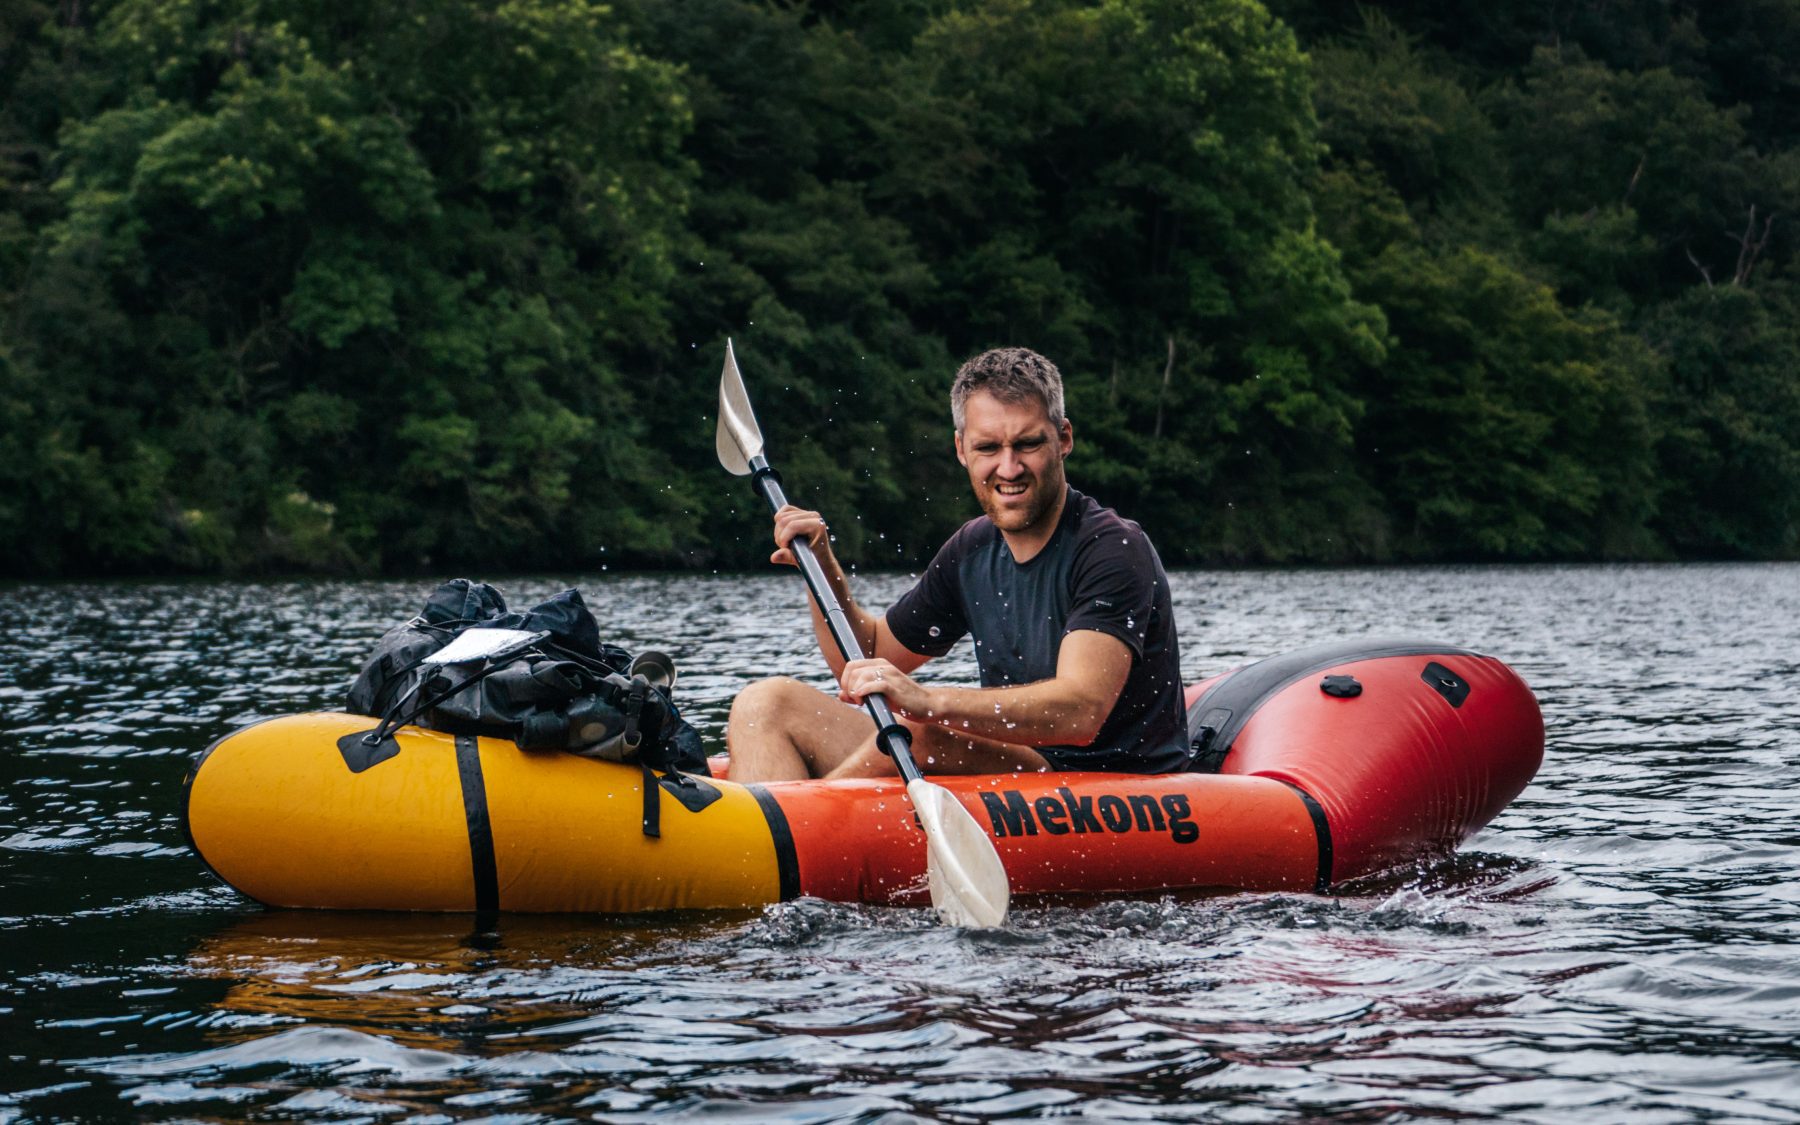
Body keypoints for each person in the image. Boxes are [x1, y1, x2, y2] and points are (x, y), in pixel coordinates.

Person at [727, 347, 1190, 782]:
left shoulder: (1111, 547)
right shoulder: (973, 548)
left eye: (1027, 444)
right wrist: (821, 565)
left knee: (920, 731)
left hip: (1108, 783)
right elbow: (869, 654)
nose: (1008, 469)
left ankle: (790, 832)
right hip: (1016, 766)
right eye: (988, 448)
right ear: (961, 449)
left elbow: (1081, 712)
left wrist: (927, 701)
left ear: (1063, 439)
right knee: (765, 702)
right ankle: (773, 842)